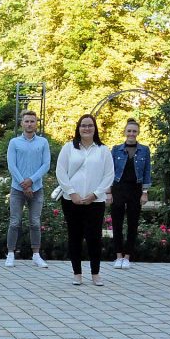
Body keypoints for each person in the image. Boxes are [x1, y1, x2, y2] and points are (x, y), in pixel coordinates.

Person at [56, 114, 114, 286]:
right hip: (71, 200)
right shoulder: (68, 148)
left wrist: (95, 194)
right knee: (74, 236)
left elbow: (109, 175)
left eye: (90, 125)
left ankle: (95, 273)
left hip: (94, 202)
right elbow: (61, 172)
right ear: (78, 128)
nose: (86, 128)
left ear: (95, 128)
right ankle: (77, 273)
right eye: (83, 125)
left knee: (94, 237)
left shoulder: (103, 150)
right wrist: (72, 192)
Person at [6, 110, 51, 268]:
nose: (29, 124)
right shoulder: (14, 142)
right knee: (14, 222)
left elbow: (46, 165)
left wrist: (31, 180)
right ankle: (10, 253)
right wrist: (23, 183)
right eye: (26, 121)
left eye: (32, 121)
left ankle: (36, 255)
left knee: (34, 222)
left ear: (36, 123)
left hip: (36, 188)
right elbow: (11, 165)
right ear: (21, 123)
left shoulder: (43, 142)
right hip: (17, 189)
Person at [108, 119, 153, 269]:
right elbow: (109, 171)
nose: (131, 133)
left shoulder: (144, 150)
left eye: (134, 131)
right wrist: (108, 191)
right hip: (118, 188)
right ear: (125, 132)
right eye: (129, 131)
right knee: (117, 223)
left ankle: (127, 256)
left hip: (136, 189)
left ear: (138, 133)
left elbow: (147, 171)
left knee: (133, 224)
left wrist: (145, 192)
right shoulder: (116, 149)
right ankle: (118, 255)